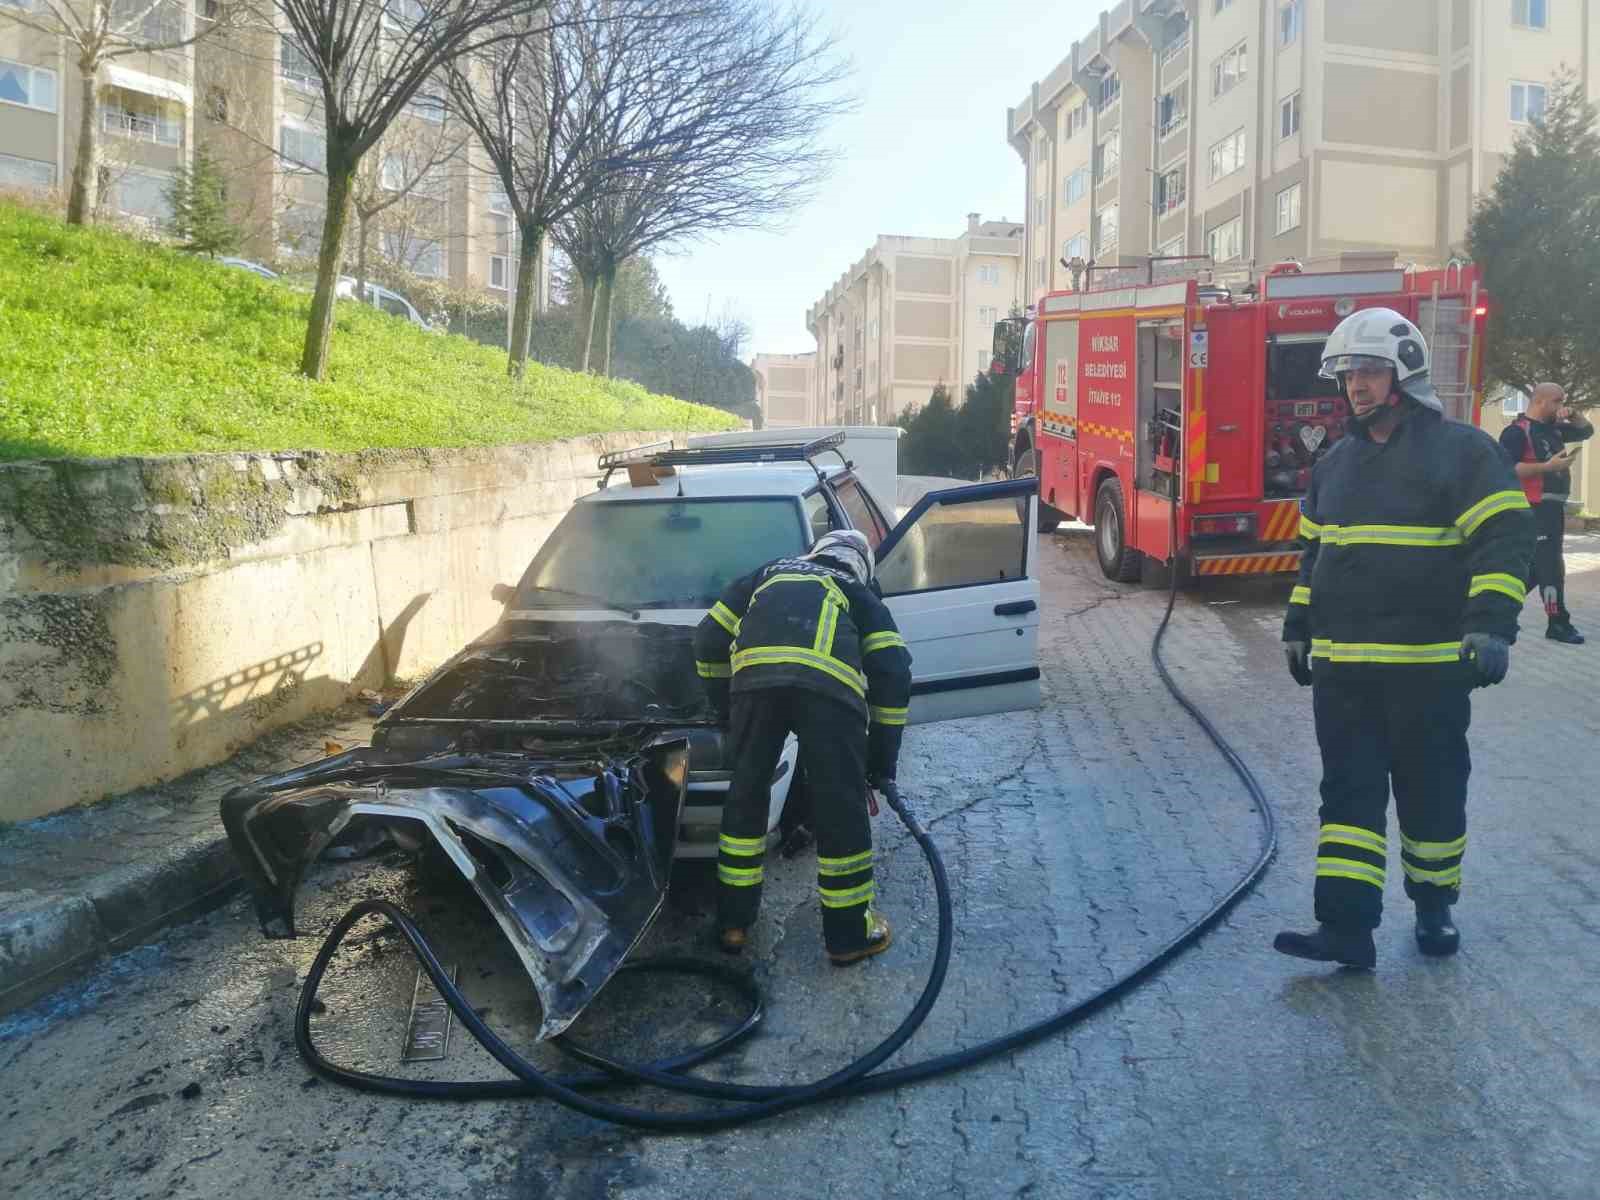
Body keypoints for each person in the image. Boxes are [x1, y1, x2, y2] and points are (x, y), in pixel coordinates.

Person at [1276, 307, 1535, 969]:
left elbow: (1505, 543)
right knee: (1348, 799)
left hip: (1429, 671)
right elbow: (1315, 557)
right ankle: (1346, 929)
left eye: (1368, 371)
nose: (1355, 386)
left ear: (1403, 374)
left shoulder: (1463, 452)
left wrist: (1490, 628)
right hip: (1345, 674)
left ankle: (1433, 905)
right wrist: (1298, 628)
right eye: (1348, 374)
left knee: (1432, 791)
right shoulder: (1335, 464)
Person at [692, 529, 912, 966]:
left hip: (754, 688)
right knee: (839, 807)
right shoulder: (854, 590)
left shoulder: (768, 573)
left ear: (815, 553)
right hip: (829, 696)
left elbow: (707, 638)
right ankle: (849, 935)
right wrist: (880, 761)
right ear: (861, 566)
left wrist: (725, 707)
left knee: (746, 797)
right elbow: (893, 669)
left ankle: (733, 924)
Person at [1499, 382, 1593, 645]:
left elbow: (1587, 430)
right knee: (1550, 568)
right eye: (1557, 401)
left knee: (1536, 569)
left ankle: (1498, 612)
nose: (1561, 406)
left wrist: (1574, 414)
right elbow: (1507, 469)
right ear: (1540, 401)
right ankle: (1558, 623)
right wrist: (1548, 467)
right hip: (1533, 508)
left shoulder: (1553, 429)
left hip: (1552, 509)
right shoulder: (1516, 432)